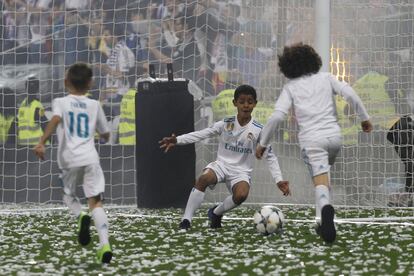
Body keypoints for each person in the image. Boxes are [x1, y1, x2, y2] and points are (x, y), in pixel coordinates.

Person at [256, 43, 373, 243]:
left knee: (319, 181)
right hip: (335, 138)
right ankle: (322, 220)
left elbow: (276, 117)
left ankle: (325, 212)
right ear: (313, 60)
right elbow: (351, 94)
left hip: (312, 141)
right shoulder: (327, 77)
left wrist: (263, 143)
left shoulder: (290, 87)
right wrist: (365, 118)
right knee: (323, 177)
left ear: (287, 67)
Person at [159, 84, 290, 230]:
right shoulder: (225, 123)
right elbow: (203, 133)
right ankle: (186, 221)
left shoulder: (259, 130)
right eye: (242, 102)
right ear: (235, 103)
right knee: (203, 179)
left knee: (241, 195)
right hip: (221, 165)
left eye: (250, 102)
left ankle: (215, 213)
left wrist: (279, 180)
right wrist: (177, 140)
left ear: (255, 104)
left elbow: (270, 156)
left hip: (241, 172)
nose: (246, 105)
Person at [33, 63, 113, 263]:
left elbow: (55, 119)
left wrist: (41, 142)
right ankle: (104, 244)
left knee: (68, 194)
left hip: (69, 159)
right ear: (90, 83)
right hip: (90, 158)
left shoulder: (60, 101)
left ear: (65, 81)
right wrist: (99, 134)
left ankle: (80, 216)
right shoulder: (94, 105)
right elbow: (105, 134)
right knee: (95, 201)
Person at [17, 77, 48, 146]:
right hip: (28, 145)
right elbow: (45, 124)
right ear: (37, 90)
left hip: (32, 146)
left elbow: (45, 124)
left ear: (25, 89)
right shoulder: (27, 105)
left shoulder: (24, 105)